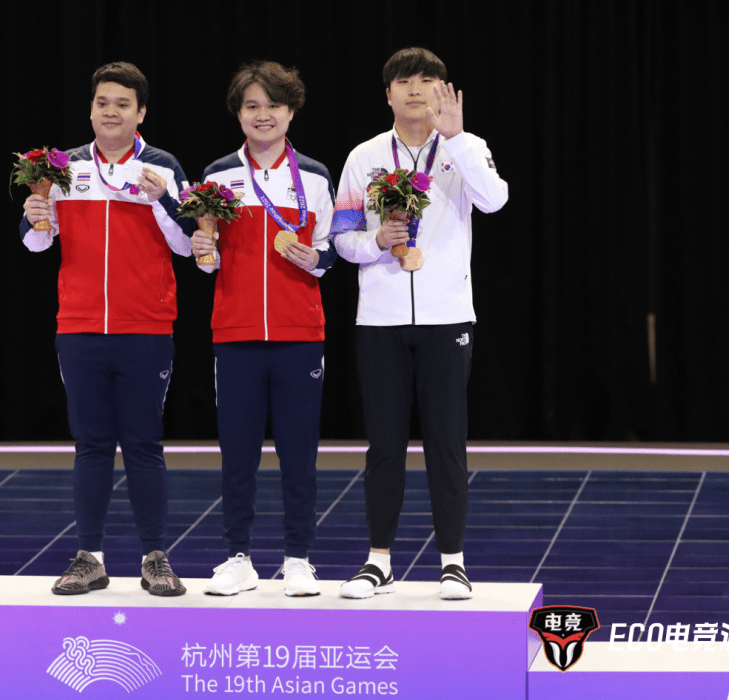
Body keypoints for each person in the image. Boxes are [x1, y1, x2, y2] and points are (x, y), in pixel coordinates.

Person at [331, 47, 508, 600]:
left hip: (447, 316)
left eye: (427, 80)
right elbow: (342, 237)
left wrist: (457, 140)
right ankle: (378, 561)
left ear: (442, 91)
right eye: (403, 81)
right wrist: (375, 242)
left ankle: (453, 562)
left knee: (446, 442)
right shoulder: (364, 157)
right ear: (387, 94)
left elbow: (495, 201)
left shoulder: (466, 147)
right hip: (379, 320)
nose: (415, 90)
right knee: (384, 444)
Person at [20, 62, 192, 597]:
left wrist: (163, 199)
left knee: (143, 443)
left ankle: (155, 558)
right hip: (80, 327)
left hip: (146, 327)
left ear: (141, 113)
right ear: (90, 110)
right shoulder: (63, 168)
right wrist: (35, 211)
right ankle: (89, 558)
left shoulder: (162, 166)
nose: (111, 112)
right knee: (91, 443)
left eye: (122, 103)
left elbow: (189, 245)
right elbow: (35, 243)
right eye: (102, 103)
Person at [190, 61, 336, 597]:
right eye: (251, 105)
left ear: (290, 111)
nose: (263, 115)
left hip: (300, 334)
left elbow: (333, 250)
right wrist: (202, 252)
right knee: (238, 453)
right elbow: (208, 259)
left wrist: (315, 258)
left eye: (273, 104)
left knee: (299, 454)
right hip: (236, 333)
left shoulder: (315, 176)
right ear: (239, 114)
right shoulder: (217, 176)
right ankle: (238, 558)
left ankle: (299, 558)